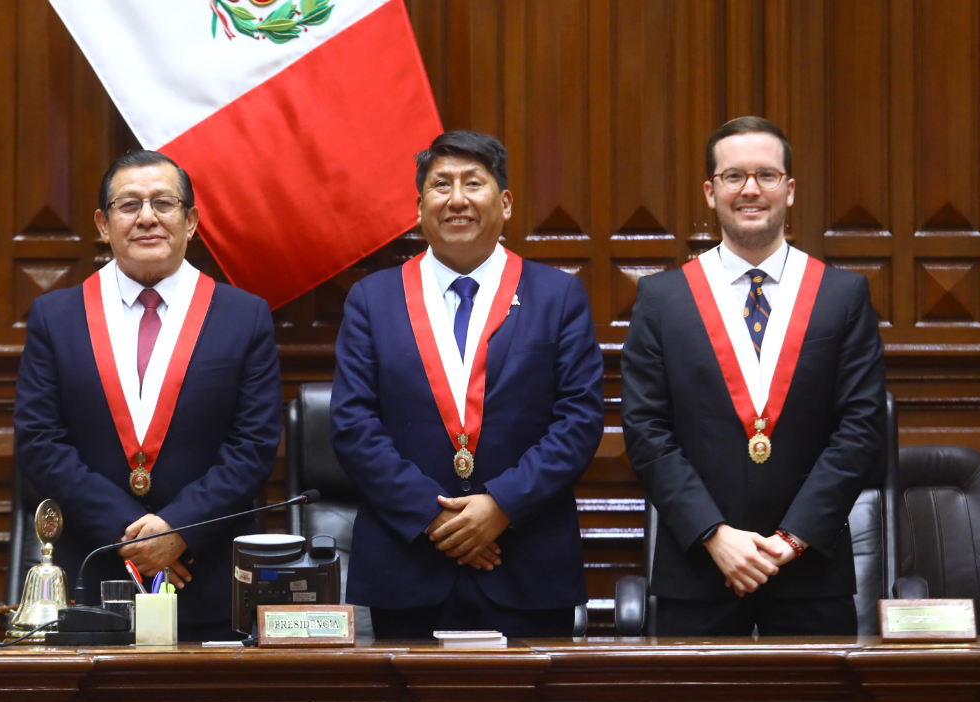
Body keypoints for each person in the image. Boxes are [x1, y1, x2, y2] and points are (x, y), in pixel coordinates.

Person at [330, 130, 604, 638]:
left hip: (526, 564)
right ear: (419, 207)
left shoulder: (557, 296)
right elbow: (353, 424)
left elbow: (579, 421)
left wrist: (500, 507)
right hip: (408, 564)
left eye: (473, 184)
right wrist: (435, 519)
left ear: (504, 202)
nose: (457, 200)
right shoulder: (373, 299)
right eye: (441, 186)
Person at [621, 116, 886, 637]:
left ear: (789, 191)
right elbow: (647, 432)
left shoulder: (842, 295)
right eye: (733, 176)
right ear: (710, 190)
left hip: (811, 574)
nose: (750, 190)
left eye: (766, 175)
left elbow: (860, 427)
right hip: (698, 572)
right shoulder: (662, 300)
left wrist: (791, 540)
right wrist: (715, 536)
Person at [14, 150, 280, 642]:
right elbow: (39, 442)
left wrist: (179, 530)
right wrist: (134, 535)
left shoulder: (243, 317)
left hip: (206, 579)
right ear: (102, 222)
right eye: (128, 204)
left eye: (164, 202)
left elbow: (253, 446)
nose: (147, 217)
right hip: (93, 582)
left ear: (192, 220)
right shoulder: (57, 317)